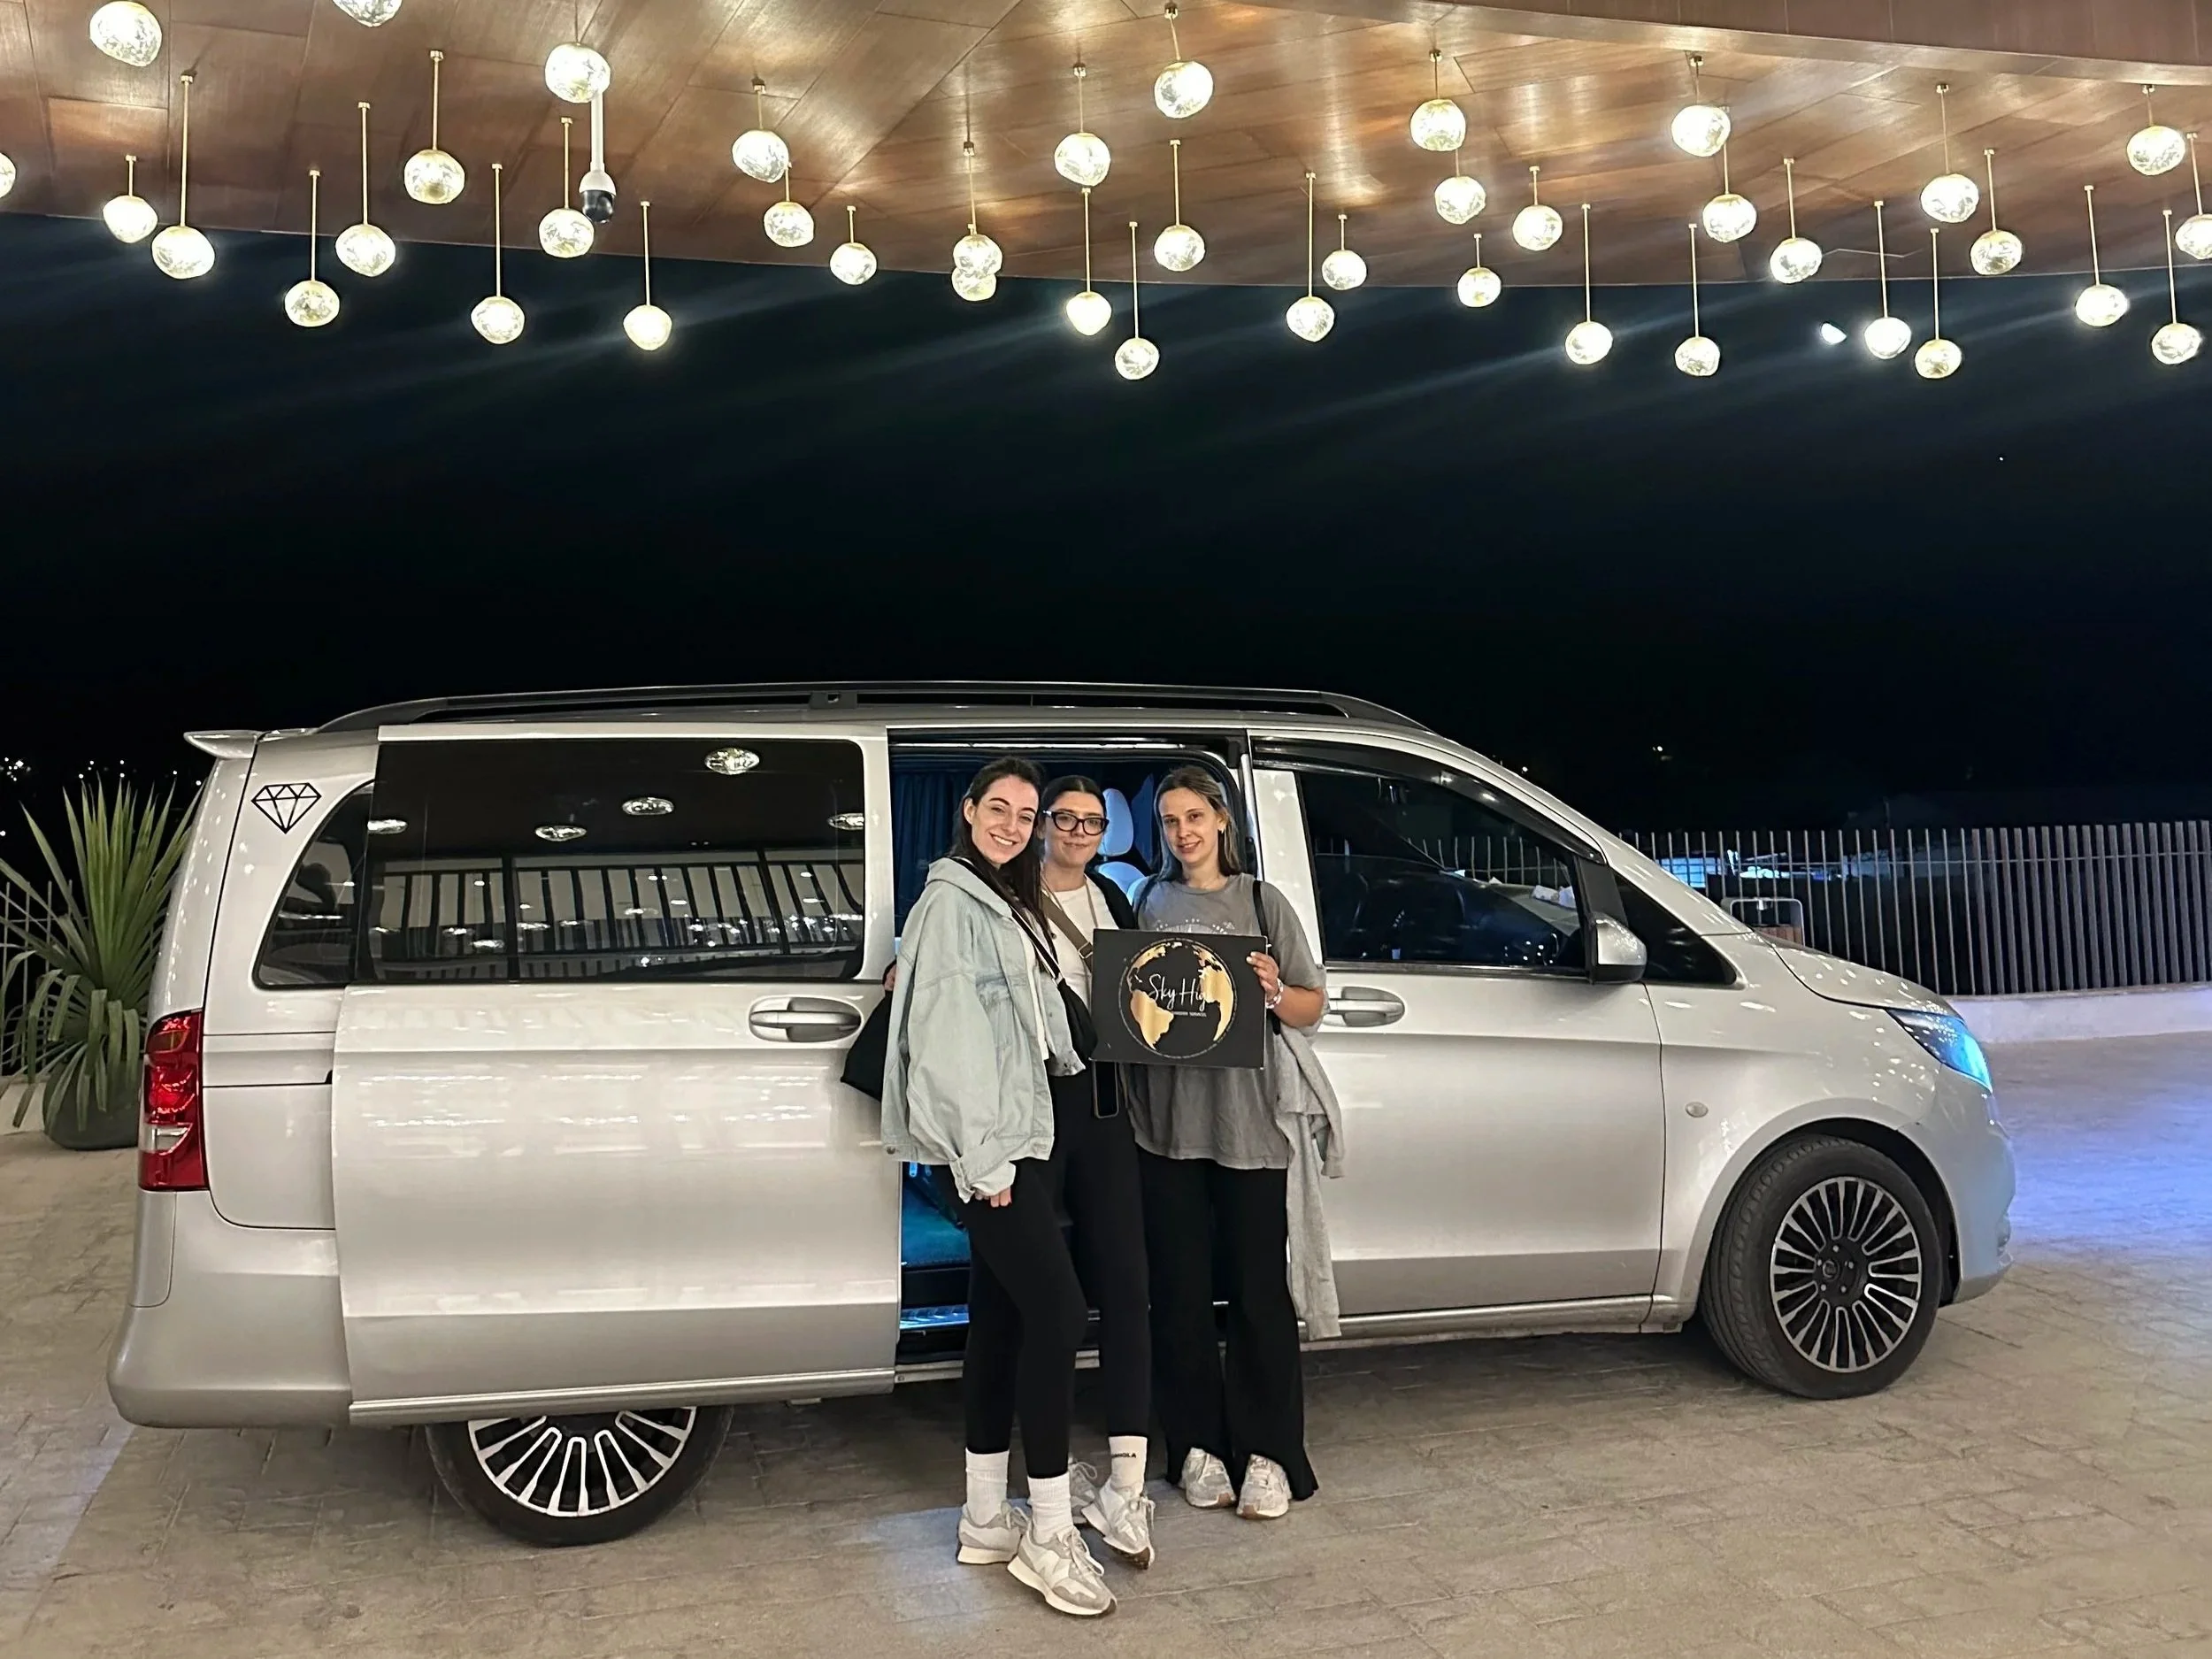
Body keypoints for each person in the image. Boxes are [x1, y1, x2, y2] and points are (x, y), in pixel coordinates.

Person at [879, 758, 1113, 1617]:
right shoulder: (954, 901)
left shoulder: (997, 895)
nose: (1013, 824)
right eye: (999, 808)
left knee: (1004, 1317)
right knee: (1058, 1313)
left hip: (1026, 1134)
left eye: (1025, 812)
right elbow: (950, 1044)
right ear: (968, 810)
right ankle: (1048, 1531)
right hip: (997, 1151)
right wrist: (984, 1164)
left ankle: (985, 1516)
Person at [1131, 765, 1328, 1520]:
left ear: (1221, 819)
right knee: (1178, 1297)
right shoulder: (1148, 902)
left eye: (1193, 816)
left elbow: (1310, 1005)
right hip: (1166, 1129)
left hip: (1252, 1128)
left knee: (1258, 1297)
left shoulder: (1261, 901)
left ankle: (1270, 1454)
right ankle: (1197, 1448)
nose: (1182, 832)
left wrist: (1274, 990)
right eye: (1169, 820)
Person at [1031, 777, 1155, 1569]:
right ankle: (1039, 1487)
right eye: (1065, 818)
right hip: (1033, 1106)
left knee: (1127, 1284)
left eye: (1092, 821)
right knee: (1040, 1297)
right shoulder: (1003, 896)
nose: (1078, 831)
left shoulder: (1114, 896)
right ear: (1042, 824)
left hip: (1107, 1107)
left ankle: (1127, 1485)